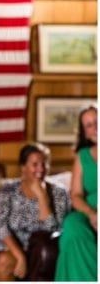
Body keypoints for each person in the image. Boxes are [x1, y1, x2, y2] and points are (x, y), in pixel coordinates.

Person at [0, 143, 69, 282]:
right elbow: (1, 226)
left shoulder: (59, 192)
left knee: (4, 261)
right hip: (7, 240)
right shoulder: (9, 189)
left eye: (44, 164)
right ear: (23, 167)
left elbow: (53, 229)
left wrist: (42, 196)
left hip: (32, 245)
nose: (41, 169)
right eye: (35, 164)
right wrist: (19, 256)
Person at [55, 104, 97, 282]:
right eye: (88, 125)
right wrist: (92, 215)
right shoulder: (82, 155)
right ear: (84, 132)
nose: (95, 127)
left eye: (97, 121)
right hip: (89, 210)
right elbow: (76, 195)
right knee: (72, 225)